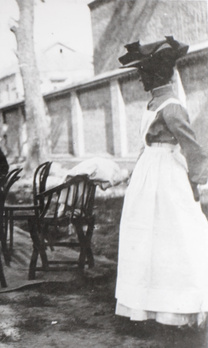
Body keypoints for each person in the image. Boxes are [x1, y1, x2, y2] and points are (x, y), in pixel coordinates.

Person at [115, 36, 208, 327]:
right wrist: (132, 173)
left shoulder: (171, 106)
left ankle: (177, 310)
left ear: (157, 73)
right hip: (148, 177)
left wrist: (200, 182)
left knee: (174, 236)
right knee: (144, 239)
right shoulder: (153, 103)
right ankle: (146, 308)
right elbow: (145, 145)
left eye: (143, 73)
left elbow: (192, 147)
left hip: (167, 176)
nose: (140, 78)